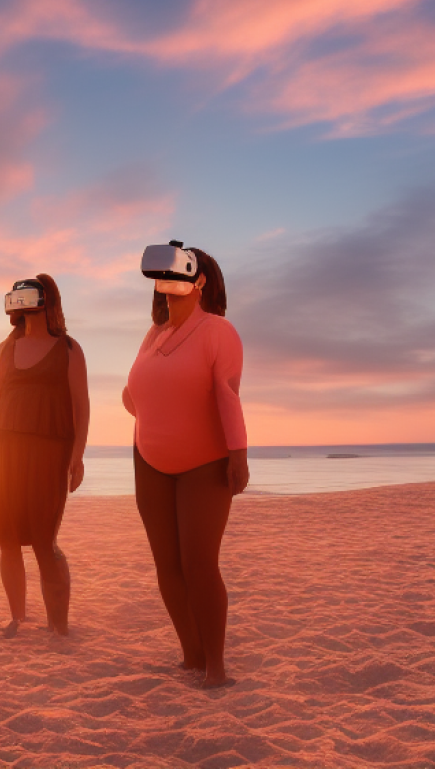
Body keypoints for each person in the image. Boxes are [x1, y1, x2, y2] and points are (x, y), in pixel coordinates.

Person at [122, 246, 249, 688]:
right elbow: (129, 396)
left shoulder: (218, 331)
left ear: (200, 283)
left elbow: (226, 394)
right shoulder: (153, 335)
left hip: (204, 462)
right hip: (149, 459)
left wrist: (238, 453)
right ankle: (191, 655)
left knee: (199, 564)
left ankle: (216, 664)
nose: (168, 290)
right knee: (168, 565)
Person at [0, 274, 89, 637]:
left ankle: (59, 625)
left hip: (48, 453)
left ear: (47, 300)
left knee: (45, 541)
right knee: (6, 539)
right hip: (2, 451)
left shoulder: (69, 349)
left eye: (29, 295)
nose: (22, 302)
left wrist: (77, 456)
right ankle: (18, 619)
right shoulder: (4, 349)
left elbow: (80, 406)